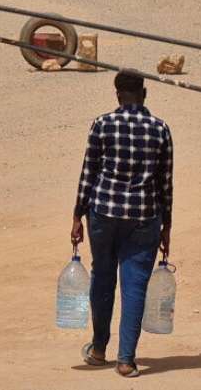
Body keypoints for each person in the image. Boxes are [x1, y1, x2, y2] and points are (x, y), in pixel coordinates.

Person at [70, 71, 173, 378]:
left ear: (117, 95)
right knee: (135, 285)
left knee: (103, 276)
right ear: (144, 94)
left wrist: (77, 215)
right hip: (144, 216)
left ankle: (100, 348)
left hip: (103, 212)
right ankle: (126, 360)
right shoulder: (160, 129)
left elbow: (89, 173)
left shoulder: (102, 124)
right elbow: (165, 183)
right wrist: (167, 225)